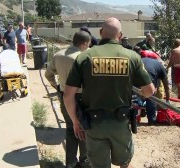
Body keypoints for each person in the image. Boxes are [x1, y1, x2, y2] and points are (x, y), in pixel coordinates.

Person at [63, 17, 155, 168]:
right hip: (121, 122)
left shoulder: (84, 57)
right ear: (120, 35)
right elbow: (149, 91)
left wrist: (75, 122)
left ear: (100, 33)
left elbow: (68, 95)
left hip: (94, 124)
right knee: (124, 163)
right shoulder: (132, 57)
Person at [45, 31, 91, 168]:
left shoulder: (58, 55)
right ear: (84, 44)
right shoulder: (84, 57)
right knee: (83, 128)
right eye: (88, 44)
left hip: (64, 95)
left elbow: (48, 74)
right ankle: (84, 161)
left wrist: (57, 87)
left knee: (70, 129)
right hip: (81, 97)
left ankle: (70, 162)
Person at [141, 56, 170, 124]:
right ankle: (152, 120)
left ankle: (135, 115)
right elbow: (166, 87)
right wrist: (168, 101)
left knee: (136, 93)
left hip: (137, 68)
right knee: (151, 97)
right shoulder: (162, 69)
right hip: (148, 72)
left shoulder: (155, 64)